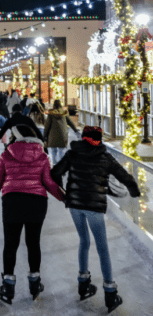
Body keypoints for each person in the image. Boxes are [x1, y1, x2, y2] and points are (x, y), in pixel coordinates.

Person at [50, 126, 140, 312]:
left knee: (84, 241)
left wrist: (65, 194)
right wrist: (134, 191)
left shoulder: (72, 153)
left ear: (83, 138)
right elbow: (124, 176)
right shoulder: (105, 157)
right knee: (102, 247)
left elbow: (55, 173)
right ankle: (110, 292)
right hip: (93, 207)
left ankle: (83, 284)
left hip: (75, 206)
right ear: (99, 140)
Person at [0, 125, 65, 304]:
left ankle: (8, 287)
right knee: (33, 242)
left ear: (16, 137)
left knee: (11, 243)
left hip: (12, 201)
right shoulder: (43, 155)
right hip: (37, 202)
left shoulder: (6, 154)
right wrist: (63, 197)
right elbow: (48, 182)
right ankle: (35, 284)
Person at [44, 99, 79, 165]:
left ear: (54, 105)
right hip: (63, 135)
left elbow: (47, 126)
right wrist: (76, 131)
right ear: (60, 105)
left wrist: (45, 135)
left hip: (52, 135)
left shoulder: (51, 114)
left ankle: (54, 163)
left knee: (53, 150)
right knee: (61, 150)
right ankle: (60, 164)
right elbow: (71, 123)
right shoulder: (64, 113)